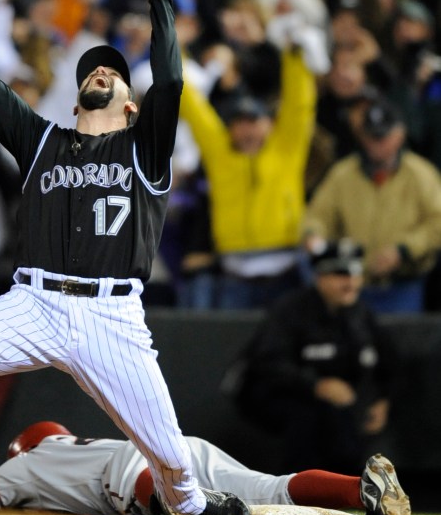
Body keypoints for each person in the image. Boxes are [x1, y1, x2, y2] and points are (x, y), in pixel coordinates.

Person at [0, 0, 249, 515]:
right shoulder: (41, 143)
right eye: (91, 70)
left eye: (113, 72)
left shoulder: (144, 148)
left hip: (112, 315)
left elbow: (172, 81)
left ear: (131, 105)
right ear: (78, 96)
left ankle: (191, 504)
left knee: (174, 460)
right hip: (32, 303)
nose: (100, 71)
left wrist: (163, 6)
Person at [0, 420, 411, 515]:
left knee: (153, 495)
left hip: (129, 469)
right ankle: (358, 488)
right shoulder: (66, 444)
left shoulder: (29, 465)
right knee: (273, 486)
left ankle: (204, 506)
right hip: (176, 446)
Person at [226, 239, 392, 476]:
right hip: (279, 397)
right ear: (320, 277)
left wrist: (382, 399)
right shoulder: (291, 309)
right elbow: (267, 363)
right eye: (341, 275)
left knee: (343, 426)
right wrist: (316, 385)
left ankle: (346, 491)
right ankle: (294, 492)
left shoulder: (361, 315)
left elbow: (388, 363)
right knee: (307, 415)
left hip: (339, 404)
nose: (350, 283)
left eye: (356, 274)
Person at [177, 43, 316, 309]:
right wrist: (171, 48)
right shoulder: (220, 154)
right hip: (234, 275)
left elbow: (300, 105)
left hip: (285, 273)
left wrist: (294, 53)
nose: (247, 130)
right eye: (239, 123)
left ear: (269, 123)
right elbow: (192, 105)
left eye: (254, 121)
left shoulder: (287, 148)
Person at [304, 96, 441, 313]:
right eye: (371, 136)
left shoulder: (421, 174)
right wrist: (313, 234)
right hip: (354, 285)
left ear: (399, 135)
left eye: (383, 137)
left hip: (403, 285)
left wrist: (403, 250)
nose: (376, 144)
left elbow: (437, 223)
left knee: (400, 345)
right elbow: (318, 215)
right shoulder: (343, 174)